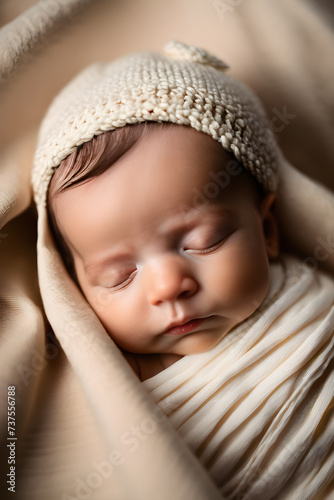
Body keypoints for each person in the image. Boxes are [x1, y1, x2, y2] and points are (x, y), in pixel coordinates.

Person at [31, 41, 334, 499]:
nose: (169, 284)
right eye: (119, 275)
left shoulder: (314, 301)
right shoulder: (115, 384)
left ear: (267, 228)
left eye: (202, 242)